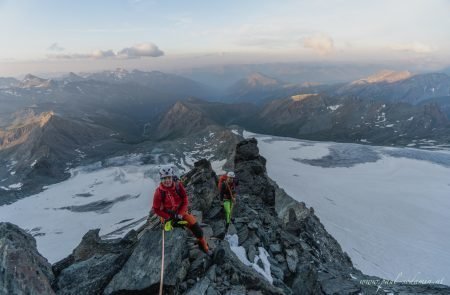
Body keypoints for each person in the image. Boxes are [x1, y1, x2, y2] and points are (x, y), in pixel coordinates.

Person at [152, 166, 210, 253]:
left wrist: (180, 214)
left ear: (172, 177)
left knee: (196, 228)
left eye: (169, 178)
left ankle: (204, 246)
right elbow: (156, 209)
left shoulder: (178, 186)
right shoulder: (158, 192)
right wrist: (168, 217)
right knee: (171, 235)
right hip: (168, 216)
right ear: (161, 179)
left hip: (180, 212)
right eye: (164, 178)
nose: (167, 180)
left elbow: (185, 200)